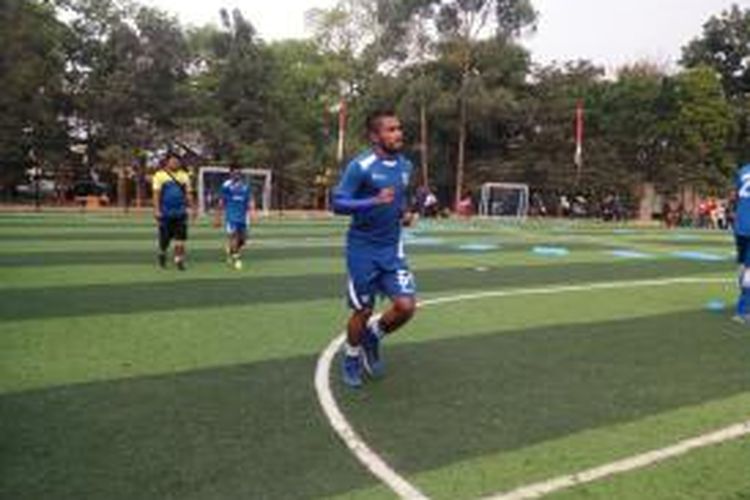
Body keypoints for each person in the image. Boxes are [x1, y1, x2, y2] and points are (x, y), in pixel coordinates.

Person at [332, 109, 417, 388]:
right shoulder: (361, 166)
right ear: (374, 136)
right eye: (390, 129)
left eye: (399, 128)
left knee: (406, 307)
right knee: (363, 310)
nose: (398, 134)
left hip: (393, 249)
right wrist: (372, 201)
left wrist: (404, 214)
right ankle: (352, 356)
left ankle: (373, 337)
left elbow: (399, 201)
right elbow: (338, 204)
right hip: (362, 250)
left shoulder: (405, 166)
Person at [152, 152, 193, 270]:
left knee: (180, 239)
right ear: (167, 162)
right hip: (165, 213)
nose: (175, 163)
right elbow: (156, 194)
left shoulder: (184, 175)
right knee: (164, 239)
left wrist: (192, 207)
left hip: (181, 212)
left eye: (177, 161)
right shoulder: (159, 175)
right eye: (173, 161)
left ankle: (179, 260)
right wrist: (156, 210)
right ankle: (162, 254)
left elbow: (188, 193)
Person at [214, 165, 254, 269]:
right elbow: (221, 201)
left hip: (243, 216)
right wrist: (218, 217)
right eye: (234, 172)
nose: (236, 174)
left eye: (238, 172)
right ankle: (236, 259)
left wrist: (252, 211)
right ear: (230, 173)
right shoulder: (226, 185)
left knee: (243, 240)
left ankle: (231, 250)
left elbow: (249, 200)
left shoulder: (245, 186)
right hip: (231, 216)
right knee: (234, 236)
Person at [733, 162, 750, 322]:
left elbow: (737, 195)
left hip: (740, 224)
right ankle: (743, 311)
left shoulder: (743, 170)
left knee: (744, 264)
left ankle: (742, 289)